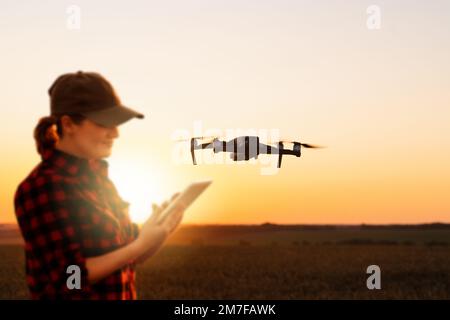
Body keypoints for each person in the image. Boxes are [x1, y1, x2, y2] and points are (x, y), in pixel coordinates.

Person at [13, 71, 184, 299]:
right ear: (68, 124)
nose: (115, 133)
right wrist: (139, 246)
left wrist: (161, 231)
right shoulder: (40, 188)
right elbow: (69, 279)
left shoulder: (99, 179)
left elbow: (128, 256)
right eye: (105, 123)